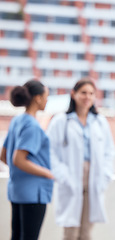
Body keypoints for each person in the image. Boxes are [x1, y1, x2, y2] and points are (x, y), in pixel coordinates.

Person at [46, 77, 115, 240]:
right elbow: (50, 152)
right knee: (70, 233)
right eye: (83, 93)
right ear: (74, 94)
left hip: (94, 179)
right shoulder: (60, 122)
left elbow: (109, 151)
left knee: (86, 233)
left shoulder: (100, 122)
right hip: (70, 179)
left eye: (91, 93)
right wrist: (62, 175)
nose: (87, 97)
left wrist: (105, 175)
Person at [0, 80, 53, 240]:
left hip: (17, 190)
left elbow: (4, 156)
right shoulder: (32, 126)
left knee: (16, 236)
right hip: (33, 193)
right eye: (46, 96)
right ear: (37, 98)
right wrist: (48, 173)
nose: (47, 100)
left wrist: (20, 173)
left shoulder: (17, 120)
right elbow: (19, 160)